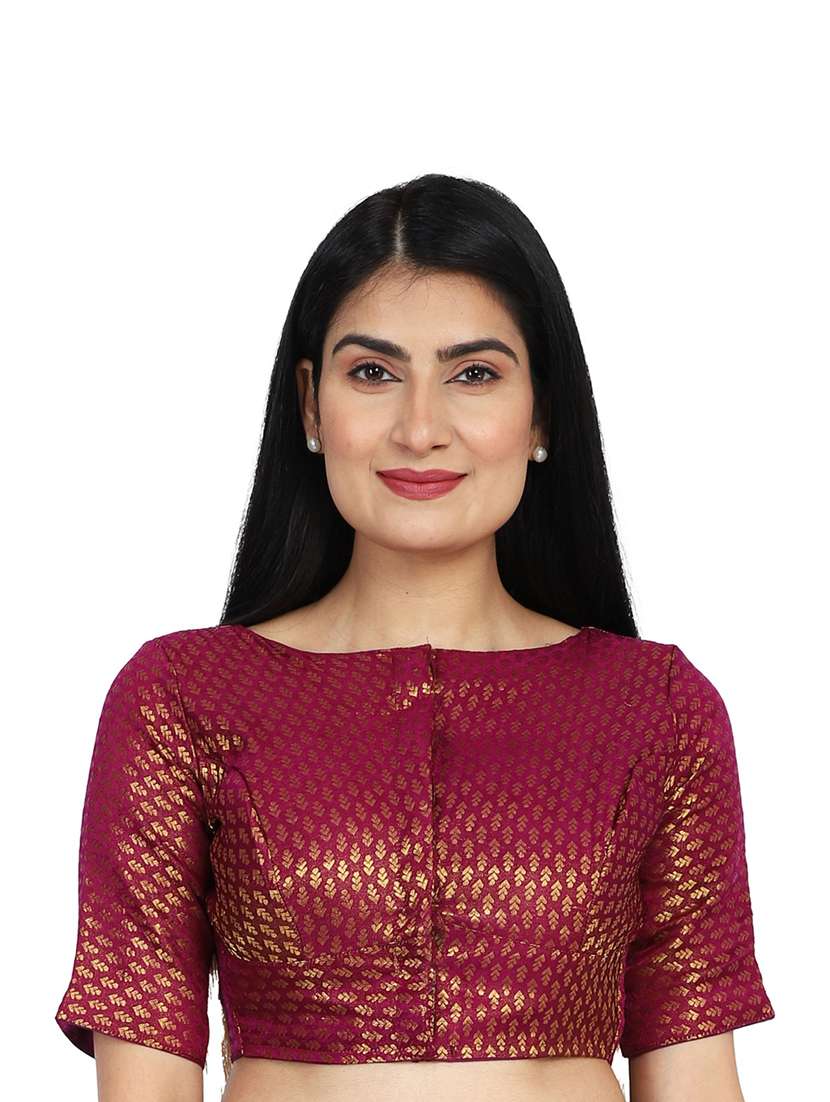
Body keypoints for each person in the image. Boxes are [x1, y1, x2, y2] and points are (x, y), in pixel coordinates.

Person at [54, 174, 775, 1102]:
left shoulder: (657, 709)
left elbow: (696, 1077)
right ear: (311, 405)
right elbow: (145, 1079)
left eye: (474, 374)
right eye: (373, 373)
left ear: (542, 411)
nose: (421, 428)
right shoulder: (183, 697)